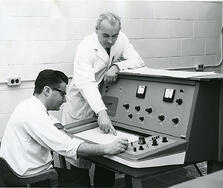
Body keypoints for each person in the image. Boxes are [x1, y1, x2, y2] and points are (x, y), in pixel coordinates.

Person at [0, 69, 128, 187]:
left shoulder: (28, 105)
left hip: (18, 172)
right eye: (62, 94)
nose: (65, 100)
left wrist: (64, 133)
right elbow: (68, 147)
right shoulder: (34, 114)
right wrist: (106, 148)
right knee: (81, 183)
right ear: (47, 90)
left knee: (79, 177)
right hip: (33, 179)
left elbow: (52, 123)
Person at [61, 11, 144, 187]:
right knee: (81, 162)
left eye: (114, 35)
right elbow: (86, 84)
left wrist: (116, 66)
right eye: (105, 35)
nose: (111, 41)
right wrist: (101, 112)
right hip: (81, 107)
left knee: (107, 158)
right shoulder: (85, 47)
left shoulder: (120, 39)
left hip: (103, 102)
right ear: (96, 29)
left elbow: (138, 61)